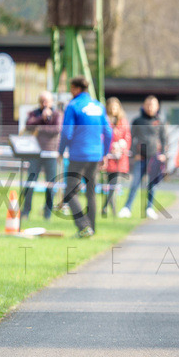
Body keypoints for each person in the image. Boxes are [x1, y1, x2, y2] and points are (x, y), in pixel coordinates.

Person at [57, 76, 112, 238]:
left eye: (71, 88)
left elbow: (67, 132)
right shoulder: (98, 106)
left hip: (78, 154)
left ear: (76, 88)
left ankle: (84, 226)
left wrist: (60, 151)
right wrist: (105, 153)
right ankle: (92, 229)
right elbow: (108, 132)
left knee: (70, 191)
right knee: (91, 192)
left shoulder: (73, 105)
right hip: (95, 155)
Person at [119, 95, 167, 219]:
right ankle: (127, 208)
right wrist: (134, 154)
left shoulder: (160, 122)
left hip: (154, 158)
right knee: (135, 183)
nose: (150, 107)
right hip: (141, 158)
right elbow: (131, 138)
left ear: (157, 107)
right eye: (148, 105)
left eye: (153, 105)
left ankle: (149, 208)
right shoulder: (137, 121)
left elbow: (164, 139)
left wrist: (164, 155)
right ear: (144, 106)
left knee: (152, 185)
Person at [19, 91, 63, 220]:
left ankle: (47, 214)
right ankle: (26, 211)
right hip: (35, 153)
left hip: (50, 153)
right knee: (30, 182)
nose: (44, 104)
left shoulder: (57, 114)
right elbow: (28, 125)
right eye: (42, 101)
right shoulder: (34, 113)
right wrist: (41, 119)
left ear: (51, 102)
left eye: (47, 101)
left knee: (50, 184)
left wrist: (39, 128)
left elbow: (56, 129)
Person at [101, 97, 130, 218]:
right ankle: (110, 210)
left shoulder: (123, 122)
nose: (113, 109)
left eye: (115, 107)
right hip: (108, 158)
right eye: (111, 107)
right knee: (109, 184)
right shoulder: (105, 120)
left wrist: (122, 147)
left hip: (119, 159)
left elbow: (127, 137)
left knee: (114, 184)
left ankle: (106, 208)